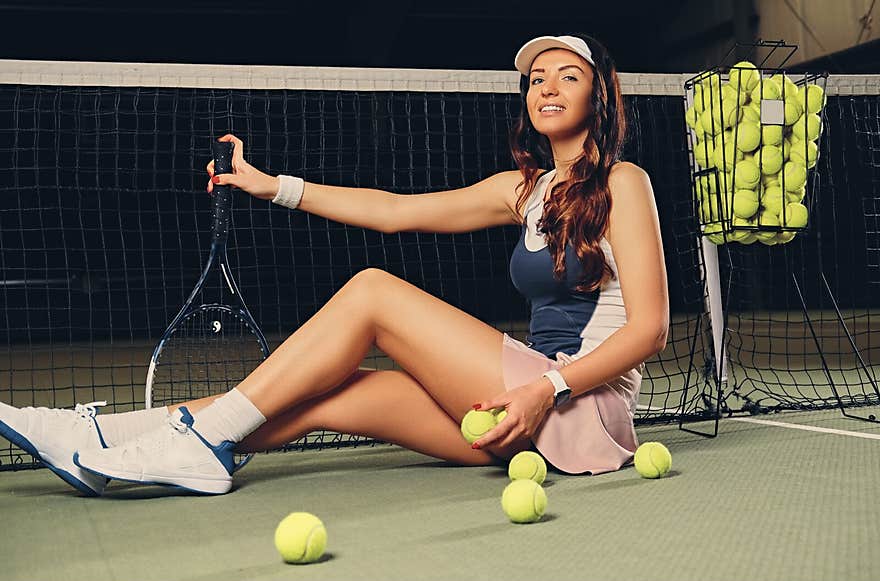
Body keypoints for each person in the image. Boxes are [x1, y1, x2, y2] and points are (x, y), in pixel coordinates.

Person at [0, 34, 668, 496]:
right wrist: (273, 185)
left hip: (575, 408)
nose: (547, 88)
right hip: (518, 410)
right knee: (332, 395)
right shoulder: (524, 189)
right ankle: (97, 439)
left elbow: (650, 331)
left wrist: (544, 390)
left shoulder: (624, 183)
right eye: (536, 79)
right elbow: (392, 211)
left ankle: (199, 447)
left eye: (568, 77)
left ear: (600, 97)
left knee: (373, 291)